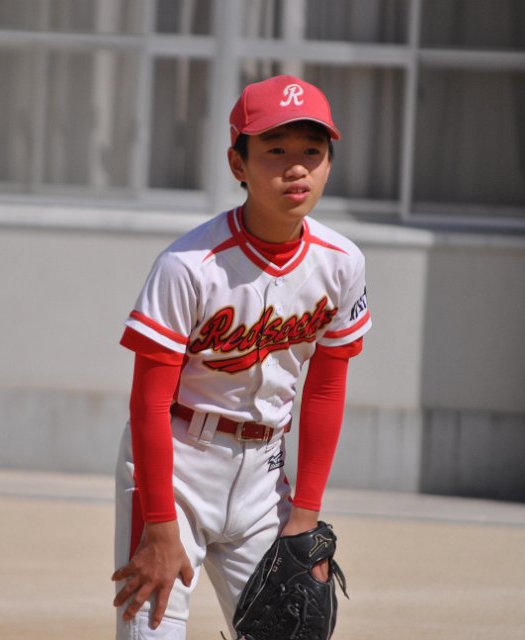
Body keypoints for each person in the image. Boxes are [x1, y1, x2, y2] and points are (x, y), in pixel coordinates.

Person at [112, 74, 371, 639]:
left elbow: (326, 387)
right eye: (275, 151)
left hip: (266, 479)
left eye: (312, 151)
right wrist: (159, 524)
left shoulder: (342, 263)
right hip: (178, 469)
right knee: (151, 629)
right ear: (238, 164)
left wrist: (305, 516)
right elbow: (148, 402)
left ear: (329, 163)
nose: (296, 168)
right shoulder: (188, 265)